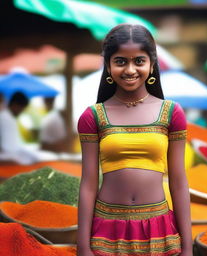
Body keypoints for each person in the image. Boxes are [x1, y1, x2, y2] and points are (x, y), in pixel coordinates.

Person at [77, 24, 192, 256]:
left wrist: (187, 247)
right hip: (107, 229)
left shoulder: (171, 113)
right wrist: (83, 245)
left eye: (139, 61)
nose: (130, 69)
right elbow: (88, 184)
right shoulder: (93, 116)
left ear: (152, 64)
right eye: (120, 61)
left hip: (158, 229)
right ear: (108, 66)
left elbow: (179, 182)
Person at [0, 92, 38, 164]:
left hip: (15, 152)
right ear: (15, 105)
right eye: (21, 109)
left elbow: (15, 144)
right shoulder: (3, 117)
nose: (21, 111)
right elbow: (7, 147)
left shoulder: (10, 117)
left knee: (33, 157)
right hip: (7, 155)